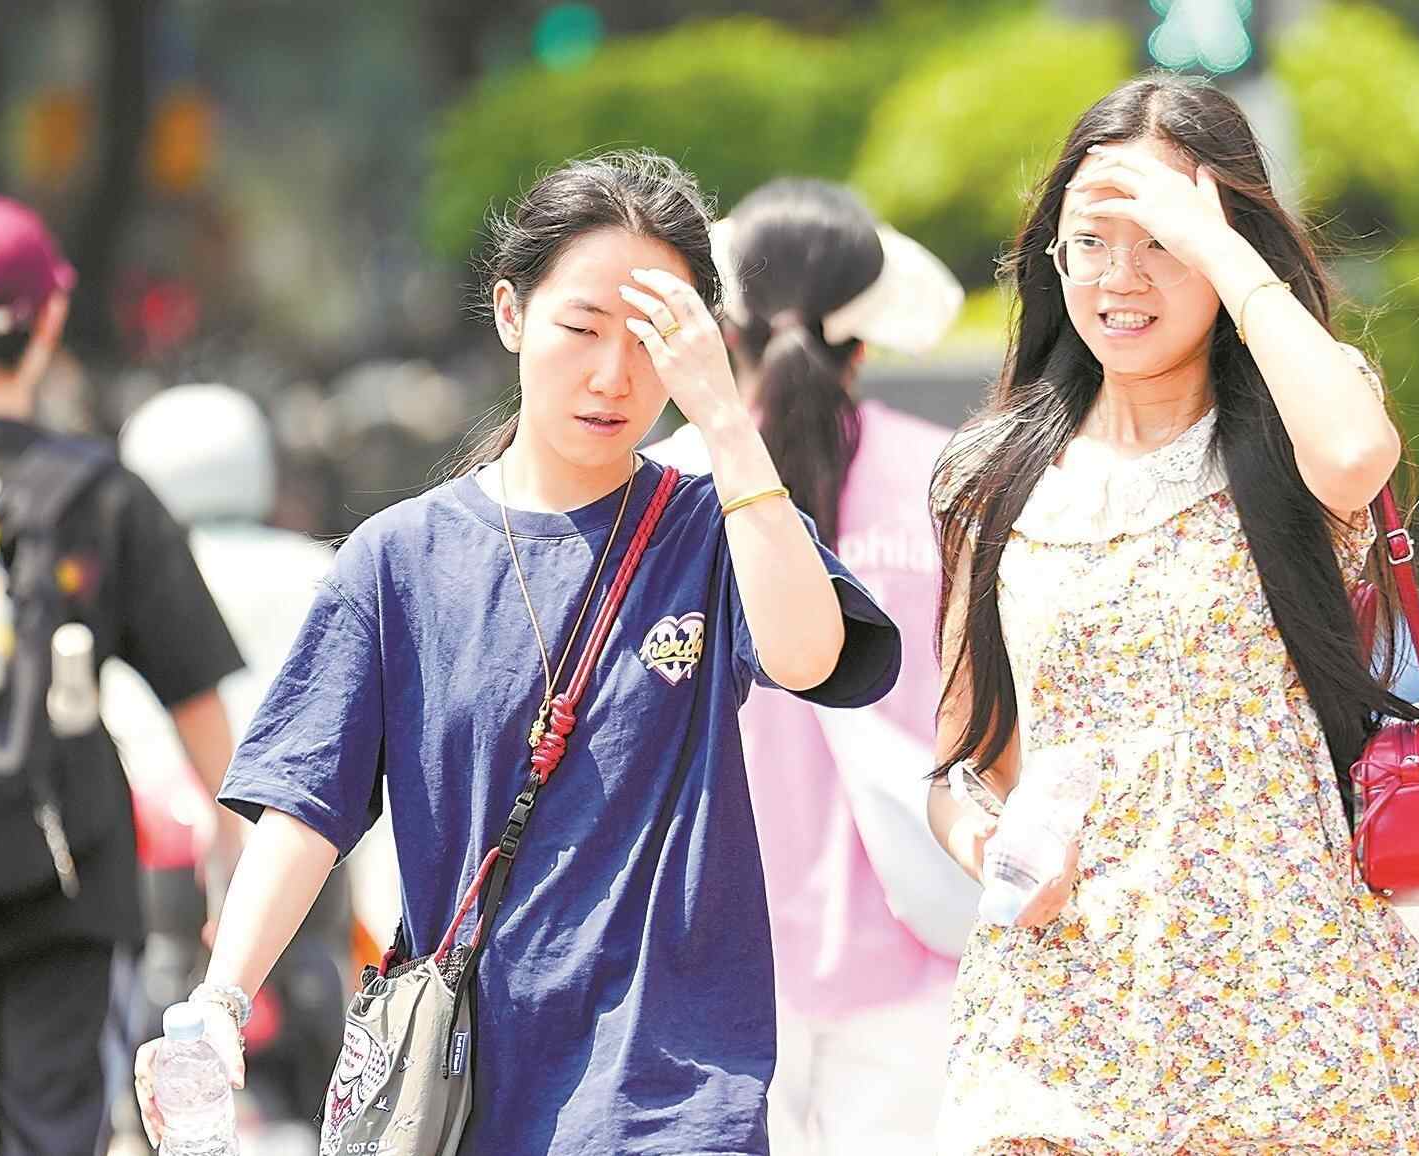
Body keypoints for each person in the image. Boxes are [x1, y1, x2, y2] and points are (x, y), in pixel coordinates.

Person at [131, 151, 902, 1154]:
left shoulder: (716, 526)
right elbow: (304, 805)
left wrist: (724, 417)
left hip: (674, 1096)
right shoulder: (399, 559)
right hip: (472, 1094)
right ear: (510, 314)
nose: (613, 375)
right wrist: (221, 1001)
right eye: (581, 328)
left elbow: (806, 655)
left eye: (650, 340)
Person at [924, 74, 1419, 1154]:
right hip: (1064, 1010)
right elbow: (963, 760)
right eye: (1091, 241)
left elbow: (1358, 456)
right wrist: (990, 846)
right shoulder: (991, 474)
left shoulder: (1296, 429)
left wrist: (1218, 245)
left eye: (1158, 242)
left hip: (1290, 1002)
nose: (1121, 277)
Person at [649, 177, 970, 1154]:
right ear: (864, 342)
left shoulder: (663, 490)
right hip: (923, 936)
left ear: (725, 328)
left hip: (709, 948)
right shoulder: (950, 480)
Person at [0, 194, 244, 1156]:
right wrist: (234, 867)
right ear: (47, 320)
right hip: (66, 877)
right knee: (56, 1127)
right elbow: (198, 702)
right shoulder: (104, 497)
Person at [103, 383, 354, 1143]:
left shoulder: (135, 575)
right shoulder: (313, 567)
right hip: (298, 826)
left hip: (160, 833)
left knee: (160, 988)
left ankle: (143, 1124)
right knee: (315, 973)